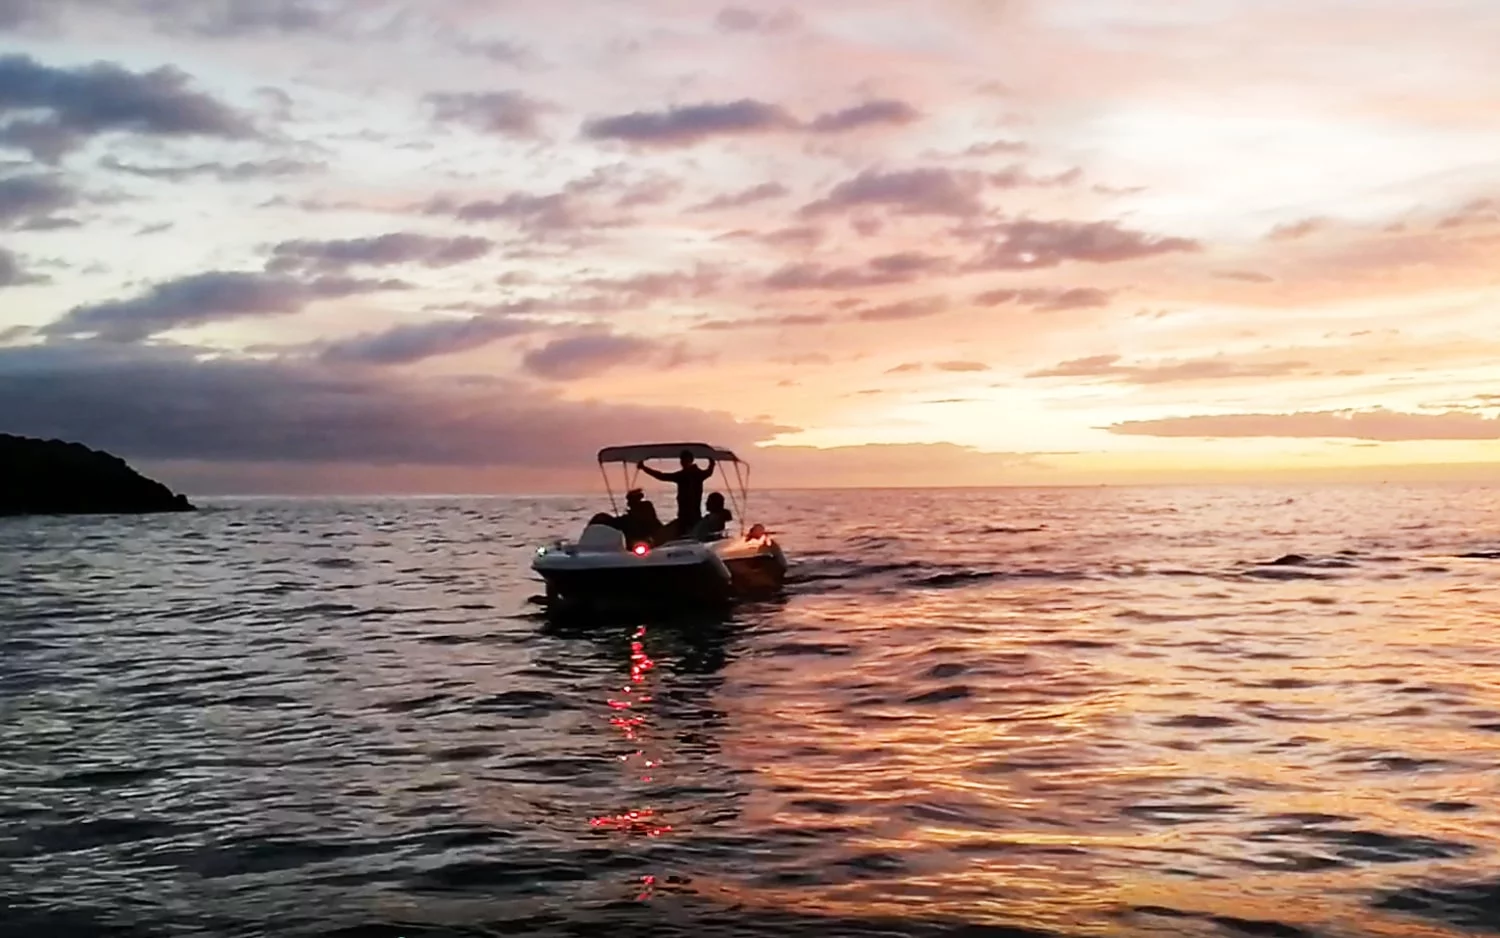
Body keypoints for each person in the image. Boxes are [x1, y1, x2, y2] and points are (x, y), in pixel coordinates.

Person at [638, 449, 715, 529]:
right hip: (684, 516)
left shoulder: (695, 474)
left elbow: (709, 472)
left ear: (691, 460)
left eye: (685, 460)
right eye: (682, 460)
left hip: (692, 516)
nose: (682, 462)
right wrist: (644, 468)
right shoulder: (683, 475)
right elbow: (662, 476)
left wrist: (712, 463)